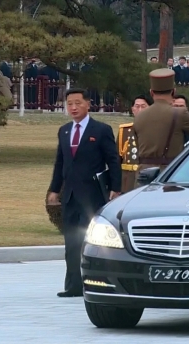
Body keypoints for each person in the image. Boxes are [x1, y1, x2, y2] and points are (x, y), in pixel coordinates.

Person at [47, 87, 121, 299]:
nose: (73, 107)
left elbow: (113, 160)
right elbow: (60, 162)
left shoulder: (101, 130)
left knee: (97, 243)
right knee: (71, 243)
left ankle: (101, 284)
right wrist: (54, 189)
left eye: (78, 103)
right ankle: (73, 285)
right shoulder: (64, 131)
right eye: (69, 103)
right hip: (70, 196)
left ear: (88, 104)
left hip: (93, 196)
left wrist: (115, 188)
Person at [132, 70, 189, 173]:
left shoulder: (139, 116)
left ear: (151, 92)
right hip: (169, 173)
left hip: (143, 174)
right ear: (174, 92)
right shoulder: (179, 113)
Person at [117, 95, 150, 193]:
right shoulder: (125, 130)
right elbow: (117, 159)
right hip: (128, 180)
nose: (140, 109)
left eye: (143, 106)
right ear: (132, 109)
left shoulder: (155, 130)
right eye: (137, 106)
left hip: (147, 178)